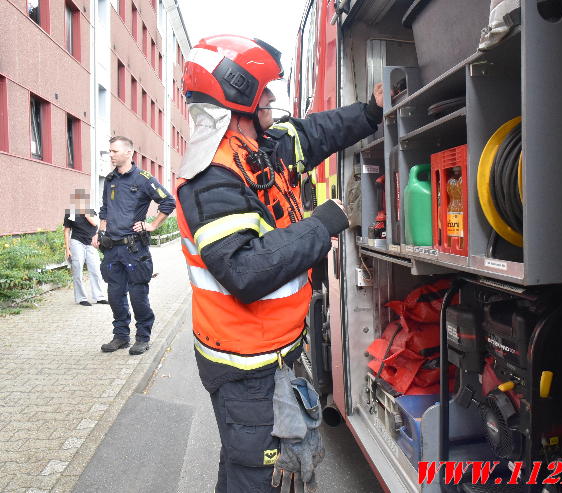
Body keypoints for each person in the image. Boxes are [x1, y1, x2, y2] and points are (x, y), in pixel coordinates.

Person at [176, 35, 383, 493]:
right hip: (246, 369)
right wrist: (325, 223)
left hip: (266, 355)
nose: (271, 99)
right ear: (237, 99)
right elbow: (245, 270)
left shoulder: (258, 149)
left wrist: (370, 112)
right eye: (263, 91)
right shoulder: (212, 178)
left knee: (243, 470)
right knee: (261, 480)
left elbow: (311, 133)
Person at [93, 136, 175, 355]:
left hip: (133, 250)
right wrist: (99, 232)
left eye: (114, 151)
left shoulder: (143, 179)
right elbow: (105, 209)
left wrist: (152, 225)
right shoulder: (110, 179)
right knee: (115, 295)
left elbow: (168, 201)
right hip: (111, 248)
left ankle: (142, 337)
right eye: (109, 151)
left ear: (129, 153)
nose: (110, 155)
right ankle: (120, 336)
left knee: (138, 295)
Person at [63, 188, 107, 306]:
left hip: (90, 243)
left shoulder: (90, 211)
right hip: (76, 242)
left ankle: (99, 297)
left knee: (96, 270)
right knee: (77, 270)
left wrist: (86, 214)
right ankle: (81, 298)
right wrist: (67, 249)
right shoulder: (70, 213)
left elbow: (95, 224)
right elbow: (67, 231)